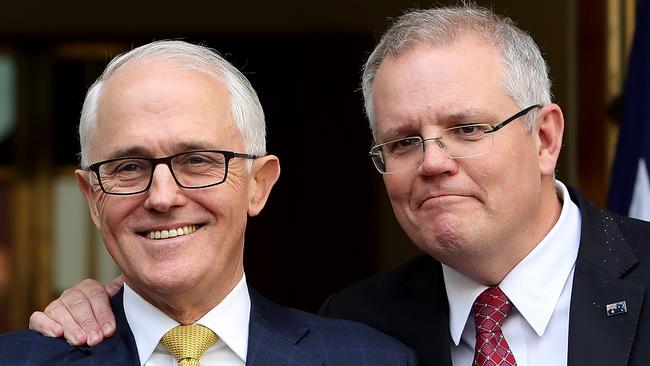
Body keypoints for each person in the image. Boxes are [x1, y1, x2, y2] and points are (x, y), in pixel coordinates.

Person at [29, 4, 650, 366]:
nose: (432, 162)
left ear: (544, 139)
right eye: (403, 141)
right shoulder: (365, 328)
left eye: (465, 128)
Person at [0, 40, 417, 365]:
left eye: (197, 160)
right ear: (92, 198)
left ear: (259, 184)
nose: (162, 197)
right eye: (128, 167)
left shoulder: (373, 358)